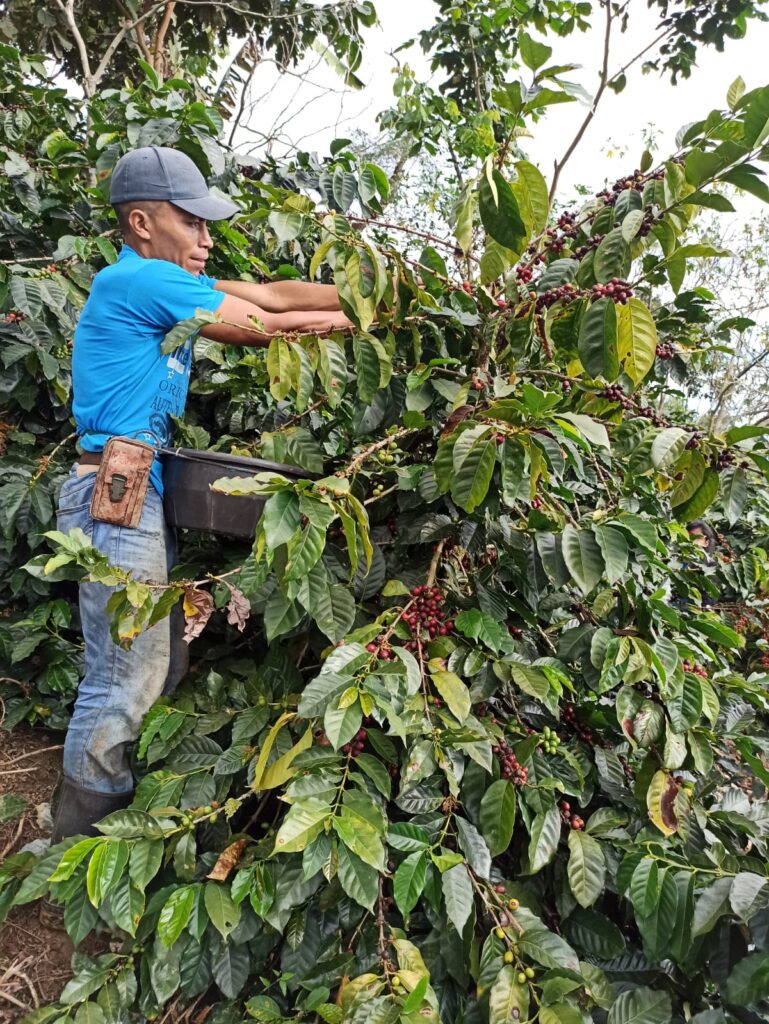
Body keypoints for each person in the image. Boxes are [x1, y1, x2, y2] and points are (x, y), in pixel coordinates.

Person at [52, 146, 352, 841]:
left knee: (150, 660)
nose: (207, 239)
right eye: (192, 222)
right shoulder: (138, 282)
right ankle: (76, 842)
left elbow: (274, 294)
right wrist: (364, 323)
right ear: (142, 222)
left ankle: (107, 815)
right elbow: (266, 326)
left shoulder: (164, 281)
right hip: (115, 490)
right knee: (125, 672)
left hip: (132, 484)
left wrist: (383, 296)